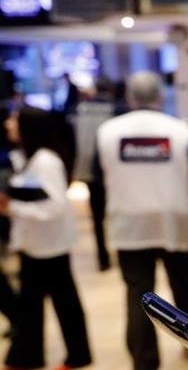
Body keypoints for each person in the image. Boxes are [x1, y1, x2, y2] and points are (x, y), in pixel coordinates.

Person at [94, 70, 188, 370]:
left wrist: (101, 222)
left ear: (129, 97)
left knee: (138, 293)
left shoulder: (108, 132)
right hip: (174, 220)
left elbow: (97, 182)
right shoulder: (180, 131)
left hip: (128, 223)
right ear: (160, 97)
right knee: (182, 285)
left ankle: (144, 360)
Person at [1, 106, 91, 370]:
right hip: (34, 245)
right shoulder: (27, 157)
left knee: (62, 304)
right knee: (33, 306)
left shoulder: (46, 161)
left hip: (50, 247)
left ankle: (74, 356)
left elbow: (56, 206)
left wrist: (11, 207)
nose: (9, 124)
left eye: (15, 120)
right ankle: (30, 356)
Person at [73, 77, 118, 271]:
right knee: (114, 213)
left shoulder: (79, 110)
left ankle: (103, 257)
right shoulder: (114, 110)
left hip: (88, 172)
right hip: (110, 172)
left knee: (97, 216)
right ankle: (119, 250)